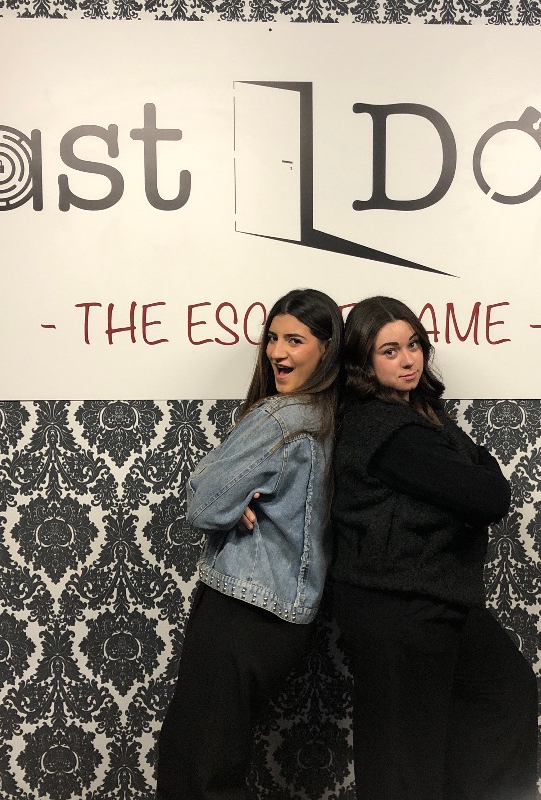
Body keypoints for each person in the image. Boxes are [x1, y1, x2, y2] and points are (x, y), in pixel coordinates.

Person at [330, 296, 538, 800]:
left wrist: (469, 482)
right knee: (403, 763)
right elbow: (489, 495)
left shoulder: (421, 416)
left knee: (502, 695)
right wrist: (471, 483)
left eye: (414, 345)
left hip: (435, 600)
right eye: (390, 351)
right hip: (397, 608)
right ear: (363, 362)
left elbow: (481, 486)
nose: (409, 360)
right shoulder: (387, 429)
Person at [156, 288, 343, 800]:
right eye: (273, 338)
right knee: (219, 763)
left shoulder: (281, 418)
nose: (277, 352)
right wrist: (227, 499)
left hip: (240, 611)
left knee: (196, 768)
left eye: (295, 340)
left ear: (327, 348)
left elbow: (203, 506)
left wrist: (223, 497)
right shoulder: (333, 419)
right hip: (288, 621)